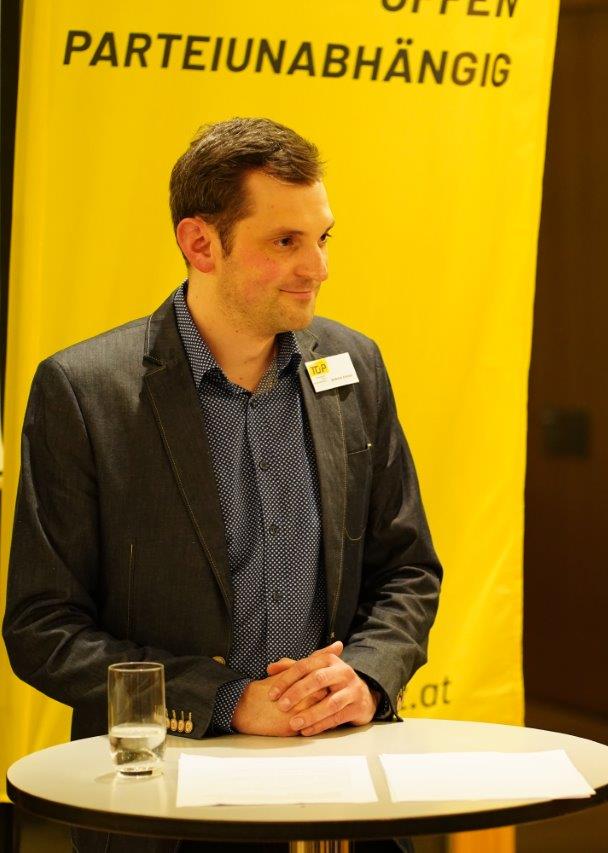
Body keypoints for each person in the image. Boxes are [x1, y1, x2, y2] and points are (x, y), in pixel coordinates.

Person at [3, 118, 442, 852]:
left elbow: (407, 569)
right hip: (162, 803)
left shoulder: (353, 366)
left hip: (342, 792)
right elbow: (44, 628)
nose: (318, 268)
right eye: (285, 241)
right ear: (200, 244)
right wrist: (228, 701)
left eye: (322, 238)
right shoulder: (84, 391)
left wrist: (365, 678)